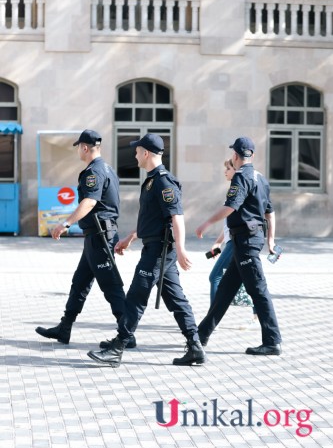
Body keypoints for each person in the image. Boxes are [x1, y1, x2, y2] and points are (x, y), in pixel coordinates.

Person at [87, 133, 206, 367]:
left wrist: (181, 249)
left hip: (160, 251)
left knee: (136, 296)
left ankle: (119, 346)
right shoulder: (152, 180)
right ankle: (195, 347)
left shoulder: (163, 181)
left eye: (137, 150)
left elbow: (176, 216)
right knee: (175, 299)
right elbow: (152, 218)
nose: (134, 155)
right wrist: (131, 236)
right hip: (156, 247)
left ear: (146, 153)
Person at [35, 129, 136, 348]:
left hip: (101, 236)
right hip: (96, 236)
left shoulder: (94, 172)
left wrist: (66, 223)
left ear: (84, 147)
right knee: (79, 282)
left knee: (111, 286)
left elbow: (89, 202)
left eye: (79, 147)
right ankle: (65, 328)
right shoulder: (107, 168)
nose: (78, 151)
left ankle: (126, 334)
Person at [196, 137, 282, 356]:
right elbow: (270, 212)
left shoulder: (241, 177)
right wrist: (271, 240)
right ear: (251, 154)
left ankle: (272, 341)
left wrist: (207, 222)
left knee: (259, 291)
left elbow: (231, 206)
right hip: (247, 240)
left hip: (245, 241)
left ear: (235, 156)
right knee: (225, 290)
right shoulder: (261, 178)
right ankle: (201, 335)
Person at [209, 159, 258, 328]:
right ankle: (257, 314)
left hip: (237, 242)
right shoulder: (233, 190)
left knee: (215, 276)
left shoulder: (240, 188)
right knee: (249, 280)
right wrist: (217, 243)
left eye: (228, 168)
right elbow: (229, 223)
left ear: (235, 168)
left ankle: (211, 319)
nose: (225, 171)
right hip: (232, 241)